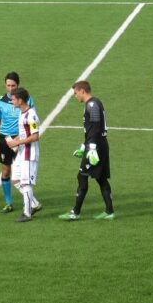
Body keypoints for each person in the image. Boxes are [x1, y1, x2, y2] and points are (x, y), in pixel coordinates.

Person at [59, 81, 114, 221]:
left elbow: (95, 128)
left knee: (82, 176)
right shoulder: (92, 104)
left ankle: (75, 212)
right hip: (96, 144)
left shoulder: (92, 105)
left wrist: (92, 149)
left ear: (82, 91)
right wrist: (84, 147)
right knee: (101, 178)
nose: (75, 96)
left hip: (96, 147)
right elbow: (92, 130)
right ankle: (109, 211)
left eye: (75, 93)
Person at [0, 71, 41, 214]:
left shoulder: (29, 111)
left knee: (24, 181)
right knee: (11, 175)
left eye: (13, 86)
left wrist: (17, 142)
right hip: (10, 140)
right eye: (8, 85)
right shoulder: (1, 101)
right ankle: (20, 203)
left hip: (25, 148)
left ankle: (28, 211)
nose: (11, 89)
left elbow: (34, 133)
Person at [6, 88, 40, 223]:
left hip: (29, 154)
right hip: (21, 152)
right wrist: (15, 141)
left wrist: (18, 142)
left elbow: (35, 136)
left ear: (20, 100)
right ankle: (35, 204)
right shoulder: (21, 113)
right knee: (15, 180)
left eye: (13, 99)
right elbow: (24, 133)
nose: (11, 101)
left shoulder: (31, 115)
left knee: (26, 183)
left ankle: (27, 213)